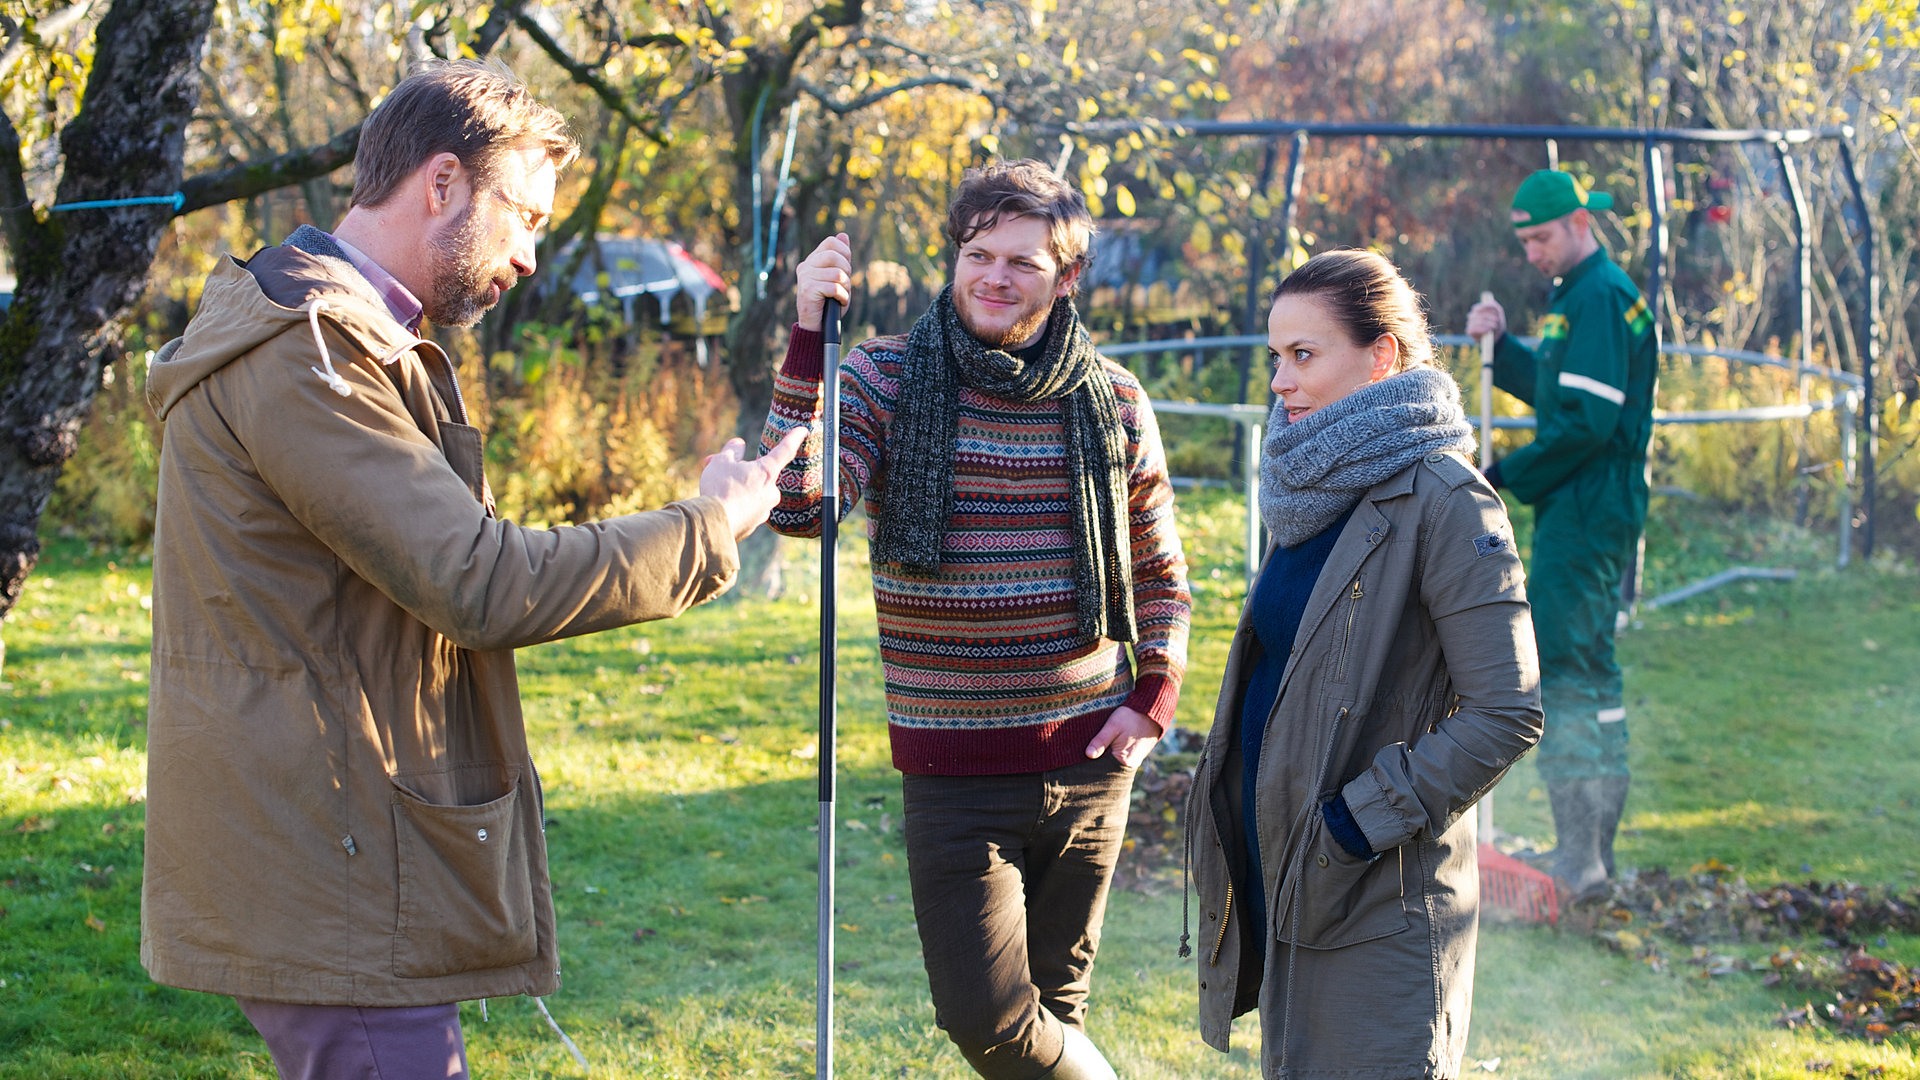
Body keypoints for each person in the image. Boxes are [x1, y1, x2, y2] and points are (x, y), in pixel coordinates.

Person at [140, 59, 807, 1080]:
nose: (533, 255)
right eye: (525, 216)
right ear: (441, 183)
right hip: (331, 866)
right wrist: (708, 526)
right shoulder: (309, 355)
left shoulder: (341, 338)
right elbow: (482, 582)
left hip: (334, 842)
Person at [762, 160, 1191, 1080]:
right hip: (955, 770)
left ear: (1067, 278)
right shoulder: (884, 376)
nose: (994, 277)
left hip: (1091, 759)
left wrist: (1151, 699)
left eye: (1023, 263)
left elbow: (1159, 572)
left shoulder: (1113, 400)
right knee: (989, 1021)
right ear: (955, 257)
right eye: (978, 253)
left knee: (1056, 1013)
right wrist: (808, 334)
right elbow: (798, 505)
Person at [1187, 250, 1543, 1079]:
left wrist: (1355, 824)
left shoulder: (1448, 500)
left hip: (1377, 894)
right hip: (1290, 884)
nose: (1281, 381)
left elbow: (1508, 709)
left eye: (1304, 355)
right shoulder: (1311, 487)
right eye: (1276, 356)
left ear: (1382, 356)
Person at [1465, 169, 1657, 895]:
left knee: (1572, 667)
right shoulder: (1577, 295)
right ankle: (1582, 855)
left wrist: (1502, 474)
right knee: (1578, 664)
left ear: (1581, 221)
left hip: (1590, 507)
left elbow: (1585, 424)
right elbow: (1562, 390)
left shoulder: (1601, 298)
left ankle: (1583, 855)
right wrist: (1505, 347)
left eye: (1541, 237)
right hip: (1577, 503)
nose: (1532, 253)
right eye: (1524, 242)